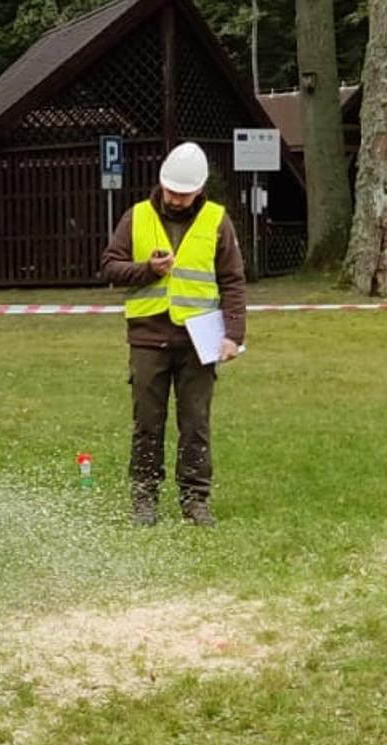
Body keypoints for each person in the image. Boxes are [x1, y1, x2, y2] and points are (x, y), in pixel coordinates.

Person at [100, 141, 248, 527]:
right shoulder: (136, 217)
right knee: (147, 424)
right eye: (170, 192)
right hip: (148, 338)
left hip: (198, 341)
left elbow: (233, 281)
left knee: (196, 423)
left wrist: (233, 334)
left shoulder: (217, 221)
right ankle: (144, 498)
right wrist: (148, 270)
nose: (175, 199)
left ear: (199, 190)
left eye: (183, 194)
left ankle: (195, 500)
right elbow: (110, 267)